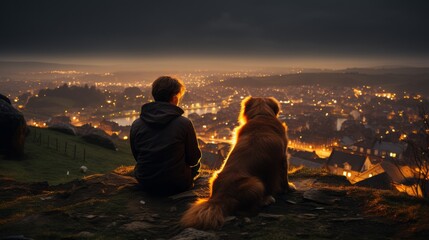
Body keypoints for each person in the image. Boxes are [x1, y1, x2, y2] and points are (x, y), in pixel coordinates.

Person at [130, 76, 201, 195]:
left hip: (146, 183)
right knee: (196, 165)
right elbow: (193, 159)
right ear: (174, 98)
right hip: (177, 184)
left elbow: (137, 155)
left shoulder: (137, 124)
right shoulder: (184, 123)